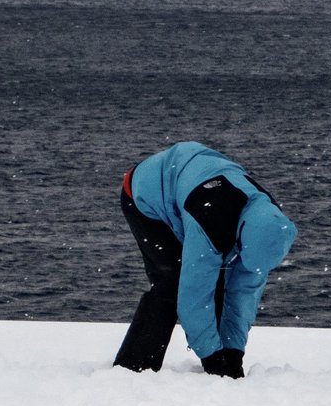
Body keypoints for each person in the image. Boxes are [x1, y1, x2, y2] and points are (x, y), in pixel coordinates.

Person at [113, 142, 298, 378]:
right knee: (172, 283)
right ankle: (131, 371)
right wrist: (212, 359)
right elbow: (194, 295)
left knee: (216, 276)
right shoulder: (211, 219)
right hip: (144, 193)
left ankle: (219, 365)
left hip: (191, 182)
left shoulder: (269, 225)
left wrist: (233, 351)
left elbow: (244, 292)